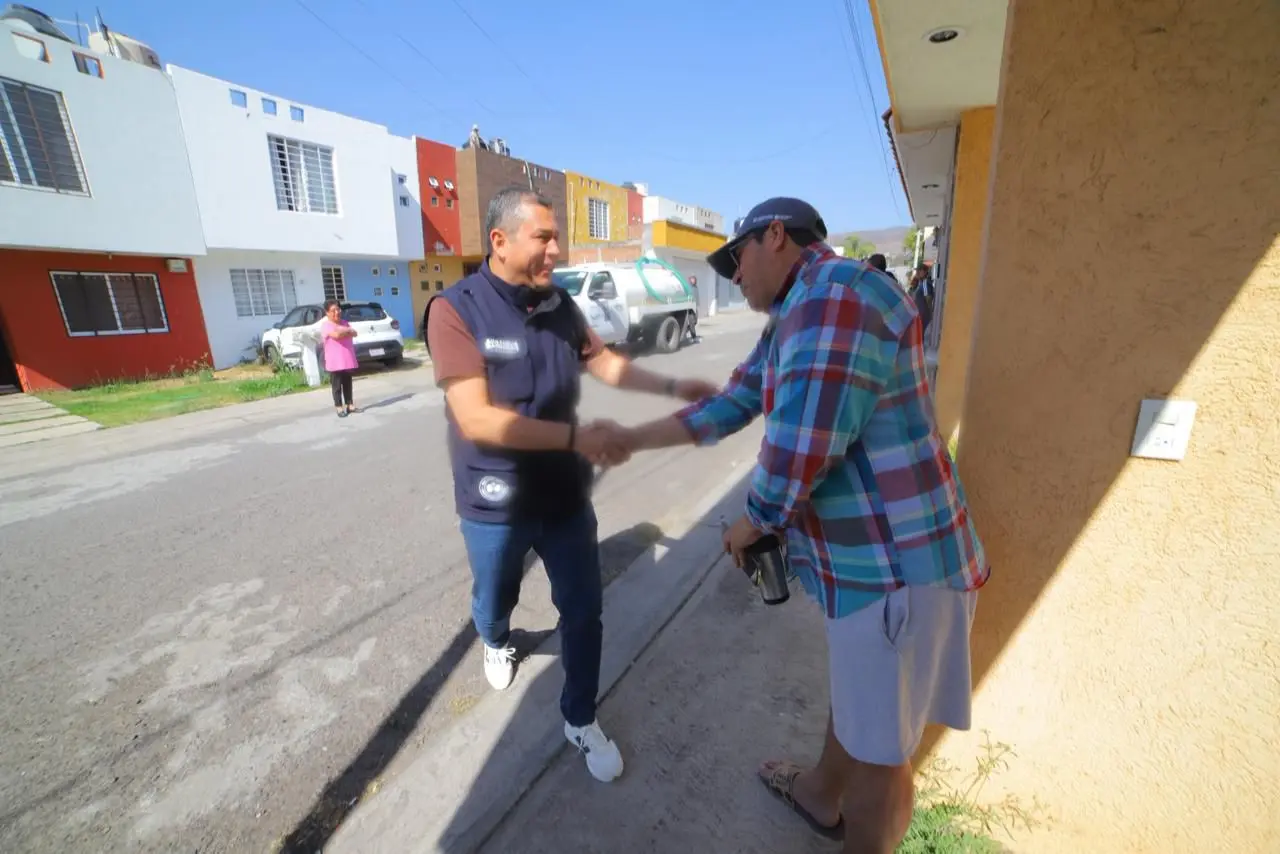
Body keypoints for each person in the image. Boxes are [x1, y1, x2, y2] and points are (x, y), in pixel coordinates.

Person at [601, 198, 989, 852]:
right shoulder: (795, 315)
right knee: (867, 711)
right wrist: (629, 438)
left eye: (737, 257)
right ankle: (816, 794)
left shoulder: (834, 295)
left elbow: (806, 444)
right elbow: (732, 404)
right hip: (871, 571)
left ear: (775, 236)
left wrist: (753, 523)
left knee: (882, 758)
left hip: (896, 573)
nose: (733, 276)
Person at [424, 186, 718, 783]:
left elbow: (602, 360)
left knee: (584, 609)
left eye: (556, 236)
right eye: (544, 237)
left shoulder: (558, 303)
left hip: (562, 494)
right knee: (495, 595)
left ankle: (579, 716)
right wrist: (577, 439)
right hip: (494, 499)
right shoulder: (455, 310)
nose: (557, 248)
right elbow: (477, 419)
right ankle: (496, 637)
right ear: (500, 241)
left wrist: (669, 387)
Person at [320, 299, 359, 417]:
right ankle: (339, 407)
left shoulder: (344, 322)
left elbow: (355, 333)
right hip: (334, 361)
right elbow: (336, 335)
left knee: (348, 383)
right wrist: (347, 331)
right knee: (336, 385)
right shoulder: (326, 325)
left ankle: (349, 405)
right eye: (333, 310)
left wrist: (345, 330)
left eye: (338, 309)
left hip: (347, 358)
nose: (336, 312)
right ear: (327, 313)